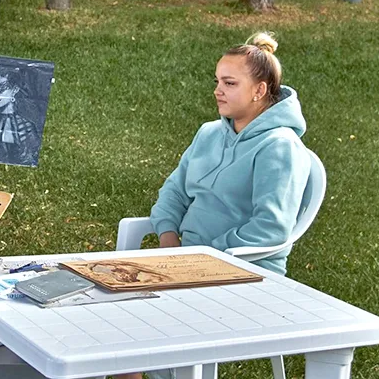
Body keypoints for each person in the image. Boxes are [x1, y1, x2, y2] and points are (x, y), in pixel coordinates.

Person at [116, 33, 311, 379]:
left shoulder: (280, 147)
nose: (218, 90)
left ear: (260, 90)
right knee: (109, 311)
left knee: (141, 318)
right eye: (217, 81)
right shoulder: (209, 133)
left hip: (245, 272)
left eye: (230, 83)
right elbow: (173, 192)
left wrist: (202, 256)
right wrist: (168, 241)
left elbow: (271, 227)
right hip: (184, 262)